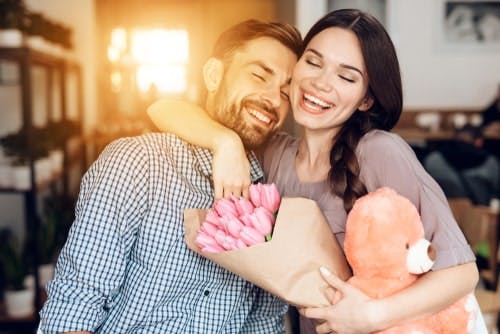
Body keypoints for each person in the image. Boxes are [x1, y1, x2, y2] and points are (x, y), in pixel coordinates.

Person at [148, 9, 484, 334]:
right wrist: (225, 142)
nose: (321, 83)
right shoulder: (274, 154)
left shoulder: (379, 152)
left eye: (346, 76)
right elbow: (161, 108)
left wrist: (370, 315)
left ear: (366, 99)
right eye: (313, 62)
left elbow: (462, 273)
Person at [38, 19, 308, 334]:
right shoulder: (139, 164)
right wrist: (225, 141)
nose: (274, 100)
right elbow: (75, 306)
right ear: (213, 75)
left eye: (286, 94)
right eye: (259, 75)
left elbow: (262, 324)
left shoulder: (266, 195)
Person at [424, 124, 500, 205]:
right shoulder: (490, 163)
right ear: (479, 142)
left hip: (442, 213)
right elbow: (496, 193)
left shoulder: (432, 160)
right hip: (478, 214)